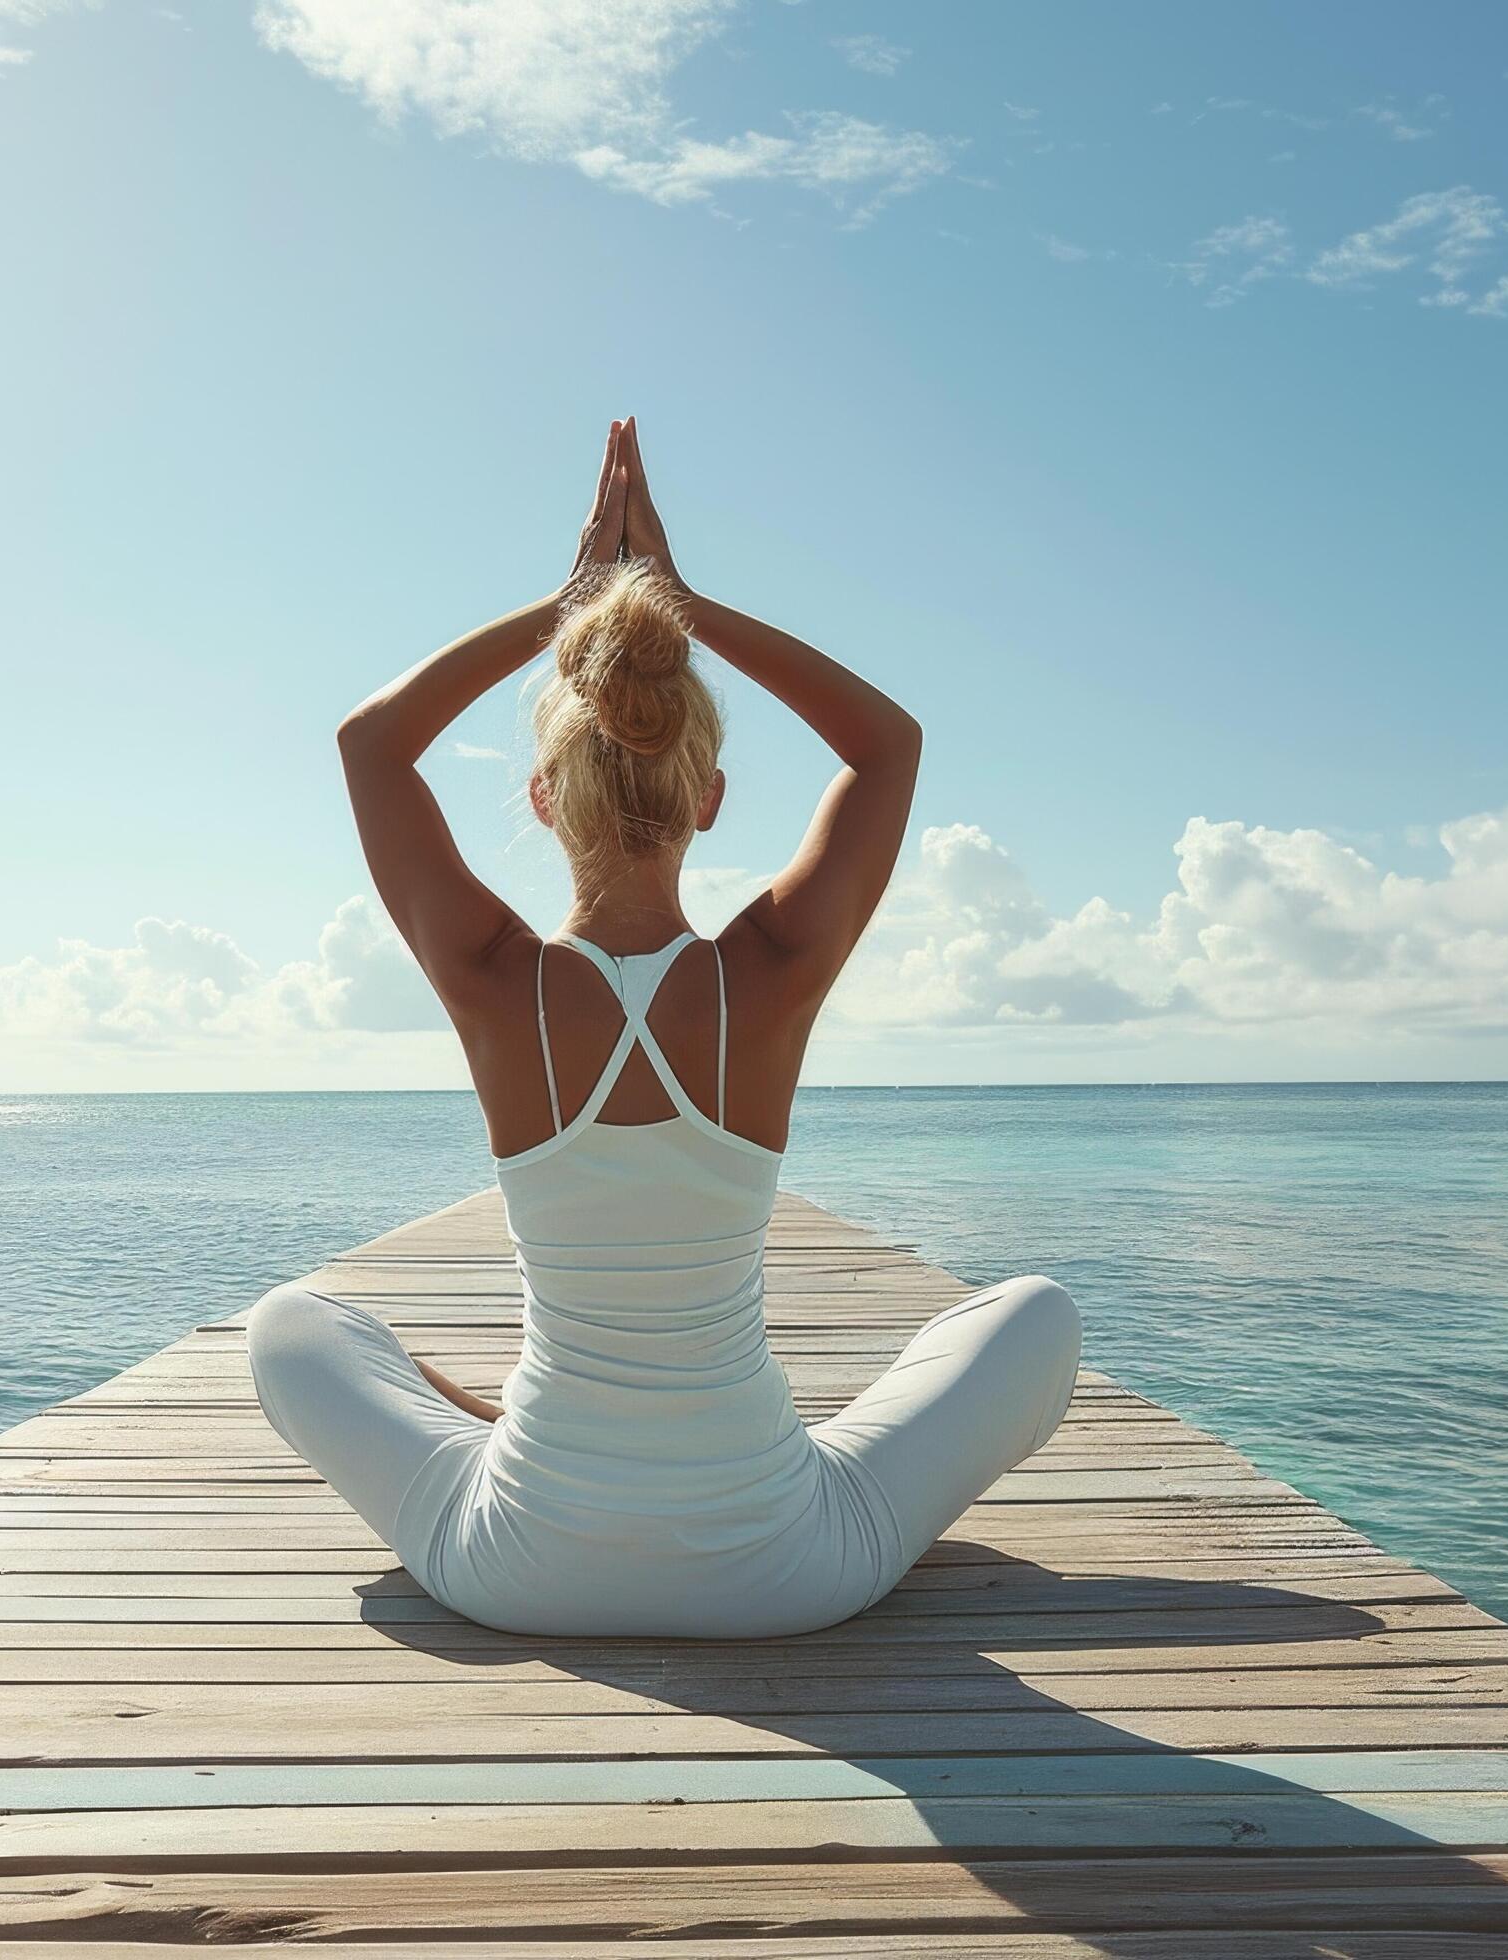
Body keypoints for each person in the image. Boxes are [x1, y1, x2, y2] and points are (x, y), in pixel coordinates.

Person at [246, 418, 1079, 1638]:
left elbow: (370, 746)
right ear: (710, 797)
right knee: (1034, 1314)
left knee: (289, 1326)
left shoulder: (494, 982)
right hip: (788, 1570)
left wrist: (566, 605)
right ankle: (752, 1443)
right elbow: (884, 745)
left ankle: (510, 1416)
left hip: (514, 1563)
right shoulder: (772, 972)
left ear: (540, 796)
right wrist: (680, 608)